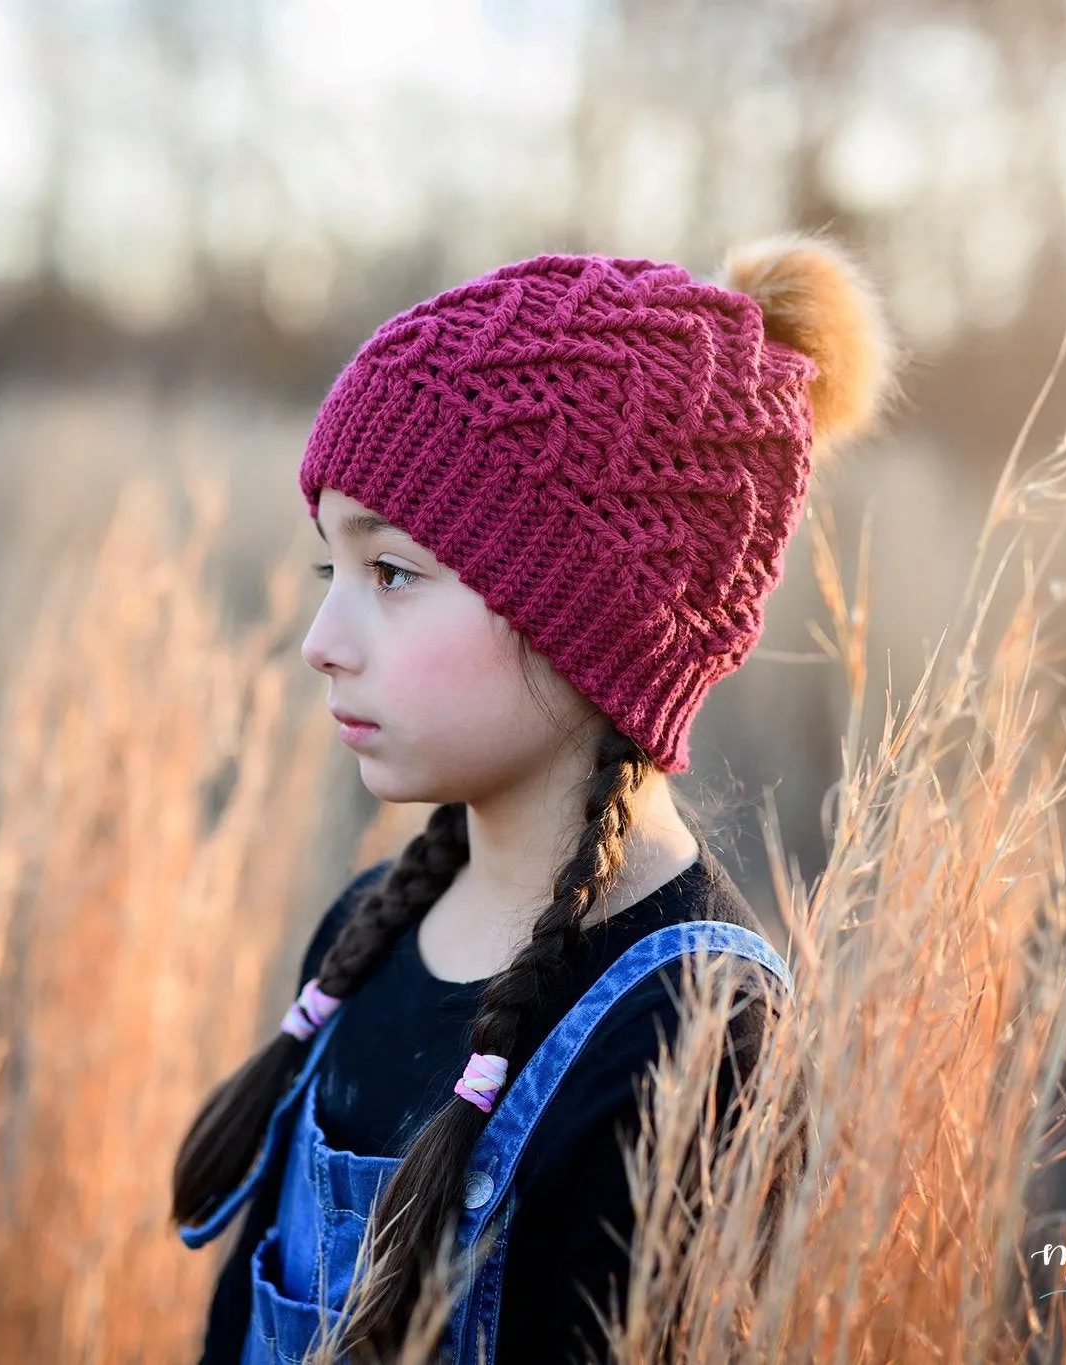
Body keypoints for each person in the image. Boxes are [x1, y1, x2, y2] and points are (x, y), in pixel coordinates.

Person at [171, 234, 894, 1365]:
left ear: (587, 612)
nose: (320, 643)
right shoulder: (367, 934)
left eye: (391, 574)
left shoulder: (690, 1037)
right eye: (330, 570)